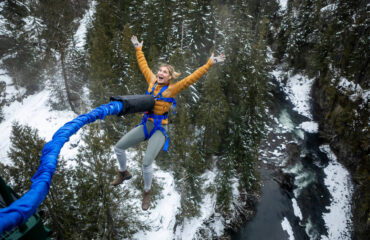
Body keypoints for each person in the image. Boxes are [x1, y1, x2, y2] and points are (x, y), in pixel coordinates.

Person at [112, 35, 225, 210]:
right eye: (160, 71)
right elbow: (144, 66)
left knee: (146, 162)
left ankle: (147, 191)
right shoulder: (151, 81)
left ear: (170, 76)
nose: (160, 73)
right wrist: (138, 49)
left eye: (165, 72)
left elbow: (192, 78)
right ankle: (123, 172)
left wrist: (209, 63)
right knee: (118, 147)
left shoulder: (172, 89)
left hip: (159, 129)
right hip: (146, 124)